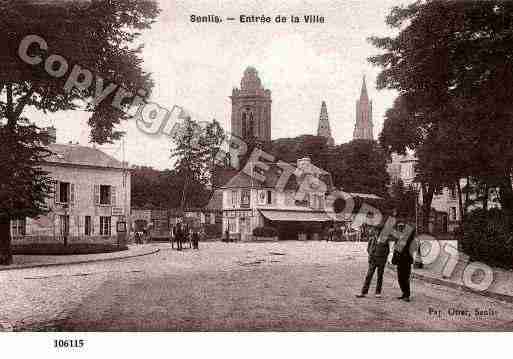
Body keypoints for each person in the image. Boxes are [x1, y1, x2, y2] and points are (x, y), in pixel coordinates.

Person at [356, 225, 390, 298]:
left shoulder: (385, 239)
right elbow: (368, 248)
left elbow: (387, 251)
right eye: (376, 231)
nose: (377, 232)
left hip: (381, 261)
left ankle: (378, 292)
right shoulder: (372, 239)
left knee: (379, 276)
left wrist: (384, 259)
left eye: (378, 231)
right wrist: (371, 255)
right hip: (373, 260)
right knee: (368, 276)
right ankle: (363, 292)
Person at [395, 223, 416, 302]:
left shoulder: (409, 238)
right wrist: (394, 259)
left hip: (406, 261)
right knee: (400, 278)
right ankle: (403, 293)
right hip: (399, 261)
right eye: (398, 228)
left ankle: (407, 295)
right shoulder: (398, 238)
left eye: (401, 228)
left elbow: (413, 248)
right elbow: (395, 250)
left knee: (405, 278)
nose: (400, 229)